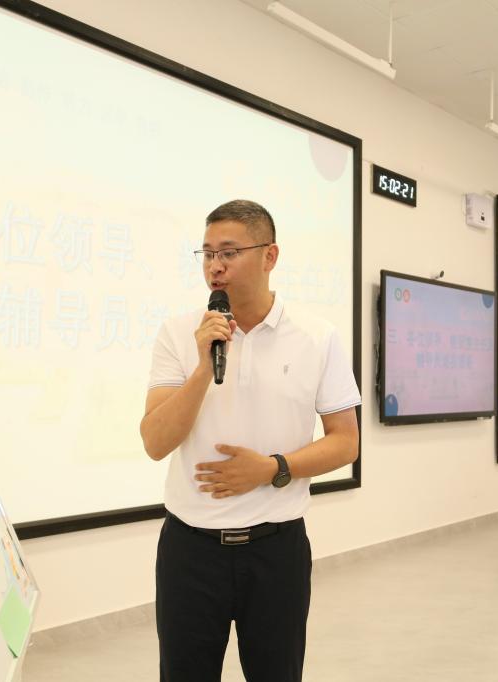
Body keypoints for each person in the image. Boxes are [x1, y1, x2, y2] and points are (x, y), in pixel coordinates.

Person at [140, 199, 361, 681]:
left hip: (276, 550)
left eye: (229, 252)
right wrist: (204, 366)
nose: (215, 266)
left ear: (269, 256)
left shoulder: (317, 337)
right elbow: (155, 441)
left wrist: (273, 468)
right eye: (207, 254)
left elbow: (346, 442)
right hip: (189, 551)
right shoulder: (179, 333)